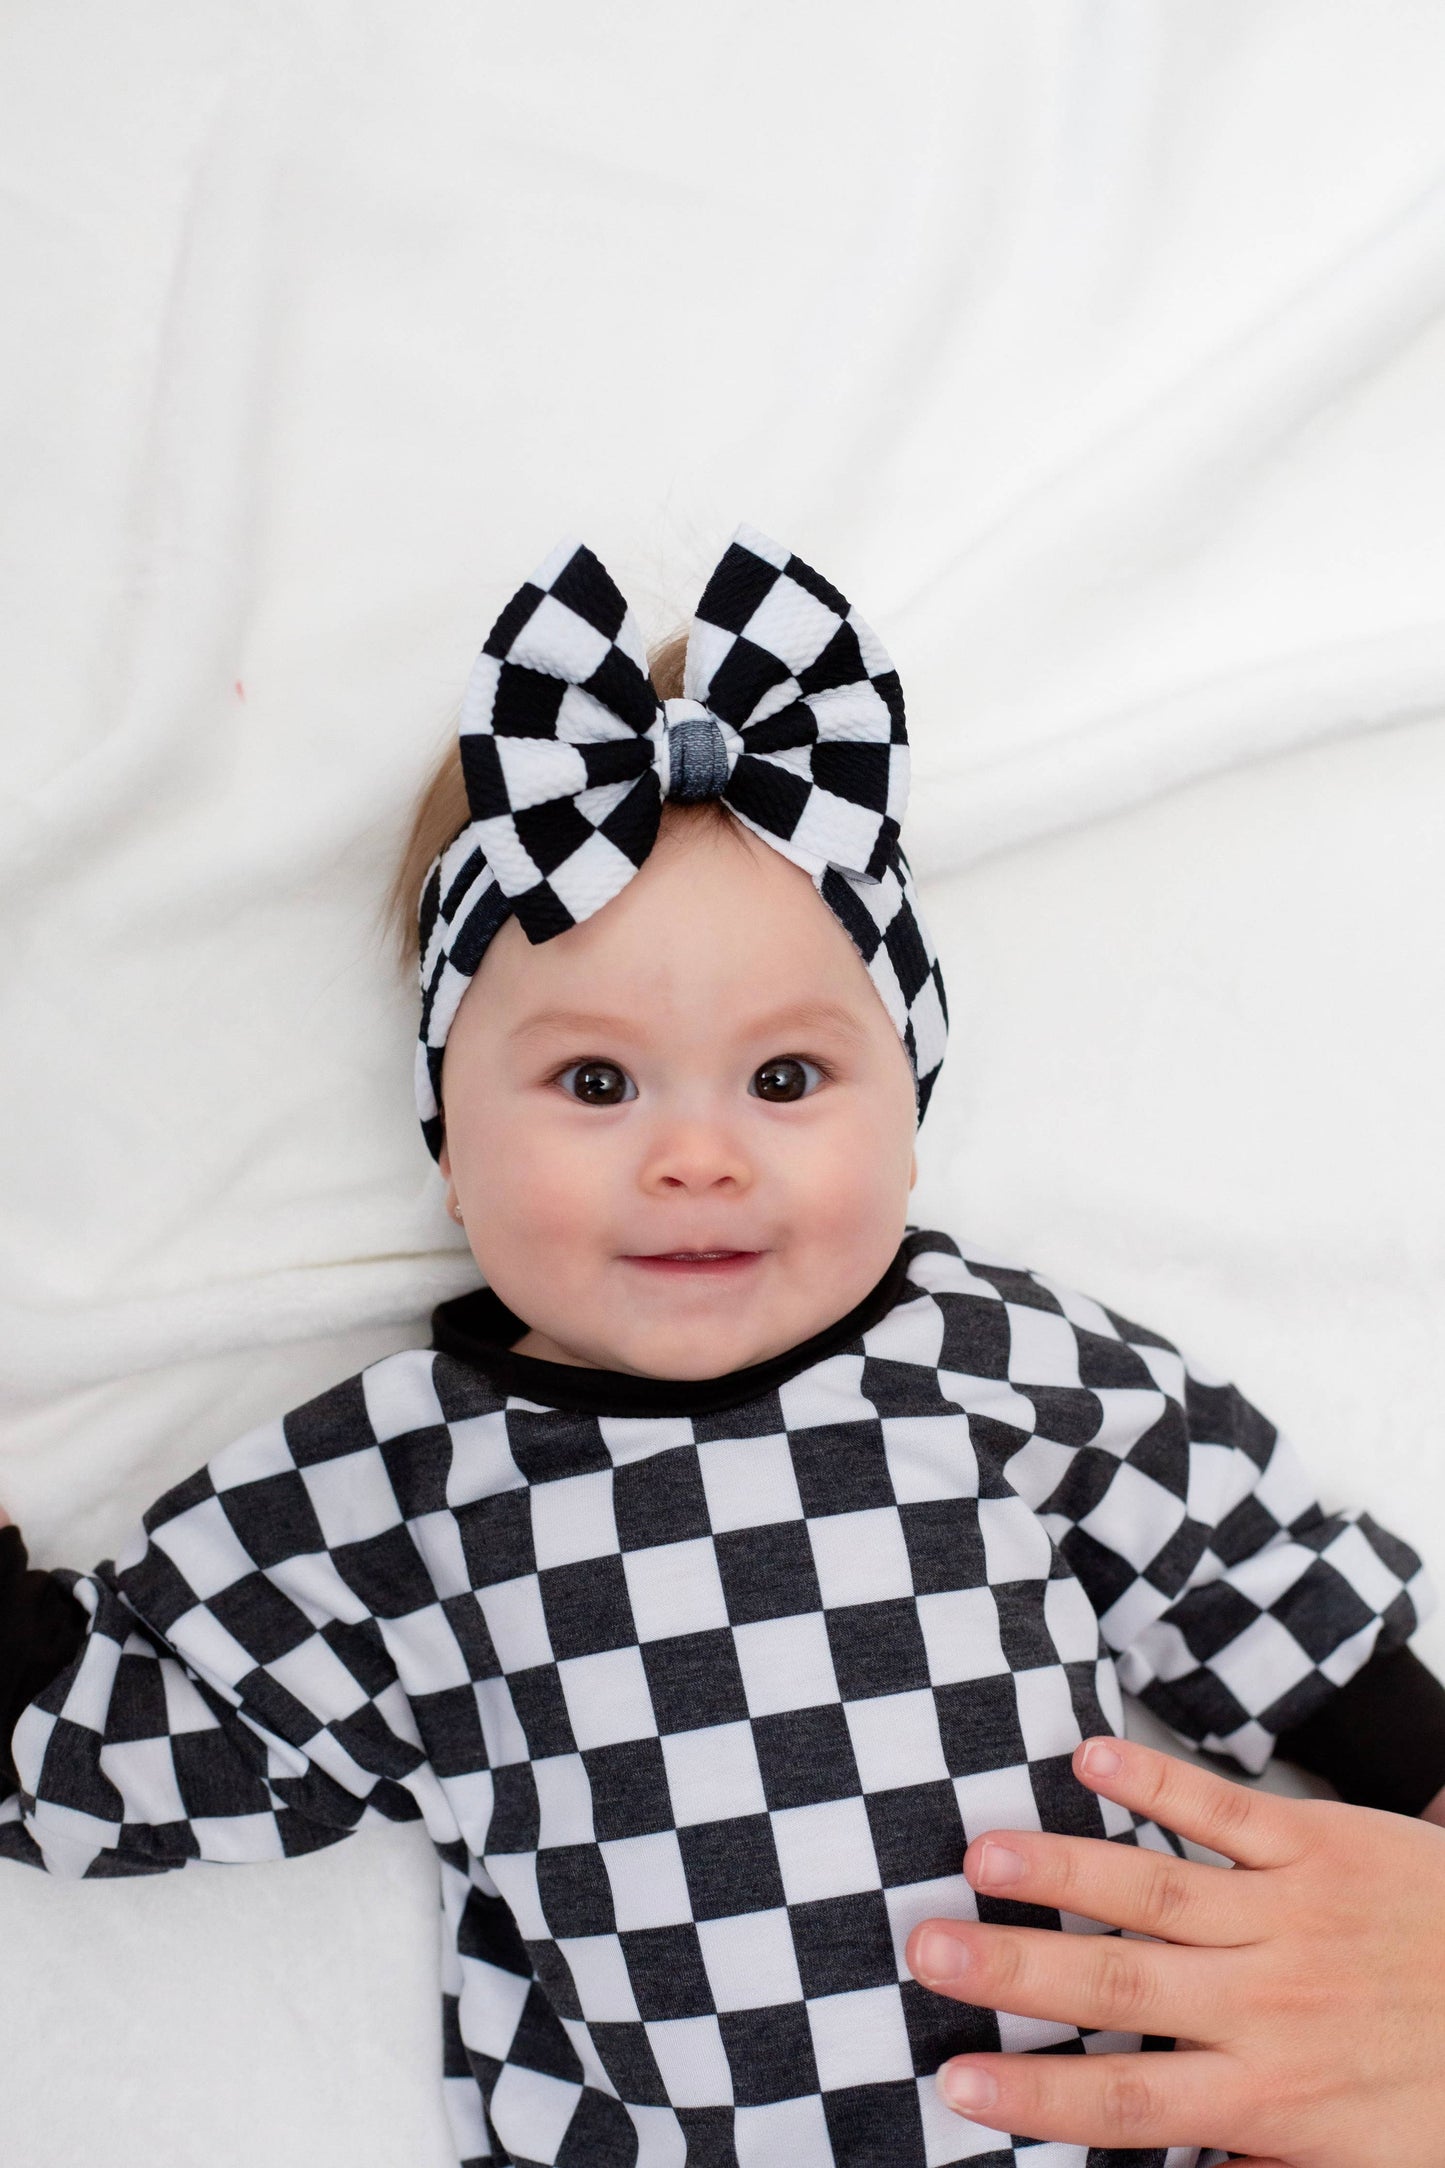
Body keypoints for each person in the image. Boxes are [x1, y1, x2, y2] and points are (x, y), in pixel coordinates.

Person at [2, 526, 1443, 2168]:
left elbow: (1233, 1563)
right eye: (597, 1086)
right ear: (448, 1148)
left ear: (909, 1115)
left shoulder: (989, 1363)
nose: (698, 1157)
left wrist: (1416, 1774)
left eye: (784, 1081)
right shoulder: (408, 1488)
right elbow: (167, 1729)